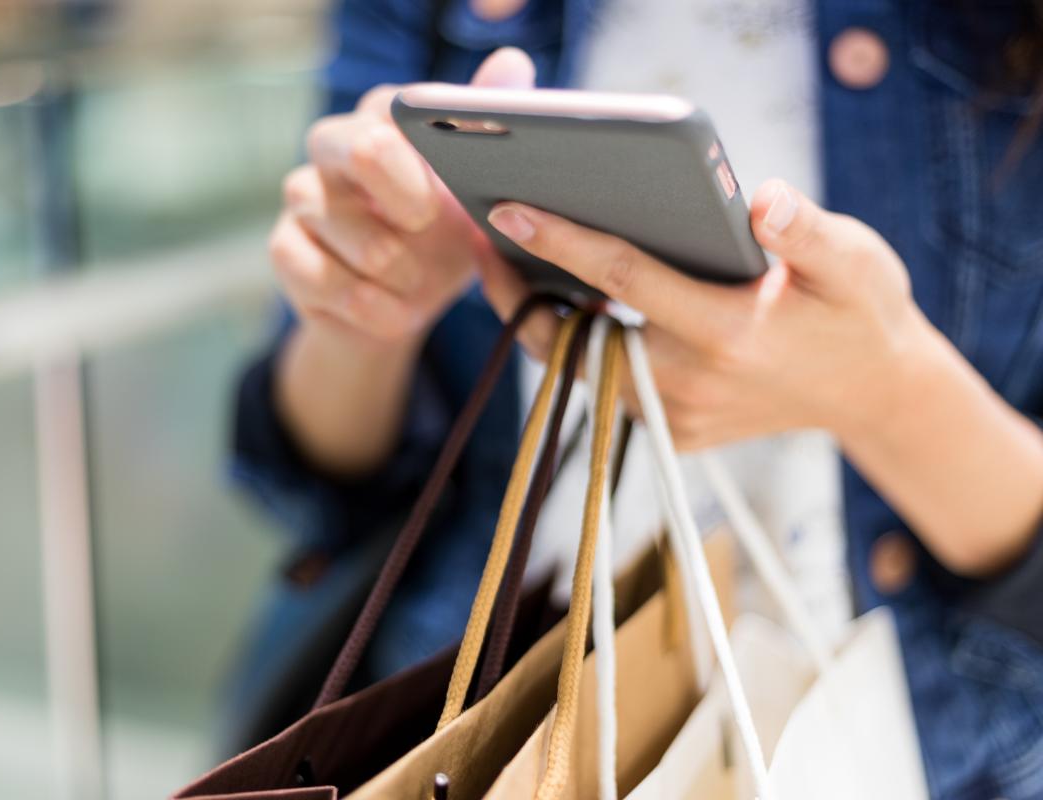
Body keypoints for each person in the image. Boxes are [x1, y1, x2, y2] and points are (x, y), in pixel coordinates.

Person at [230, 1, 1043, 797]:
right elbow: (316, 488)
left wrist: (886, 393)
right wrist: (366, 307)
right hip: (503, 719)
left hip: (920, 747)